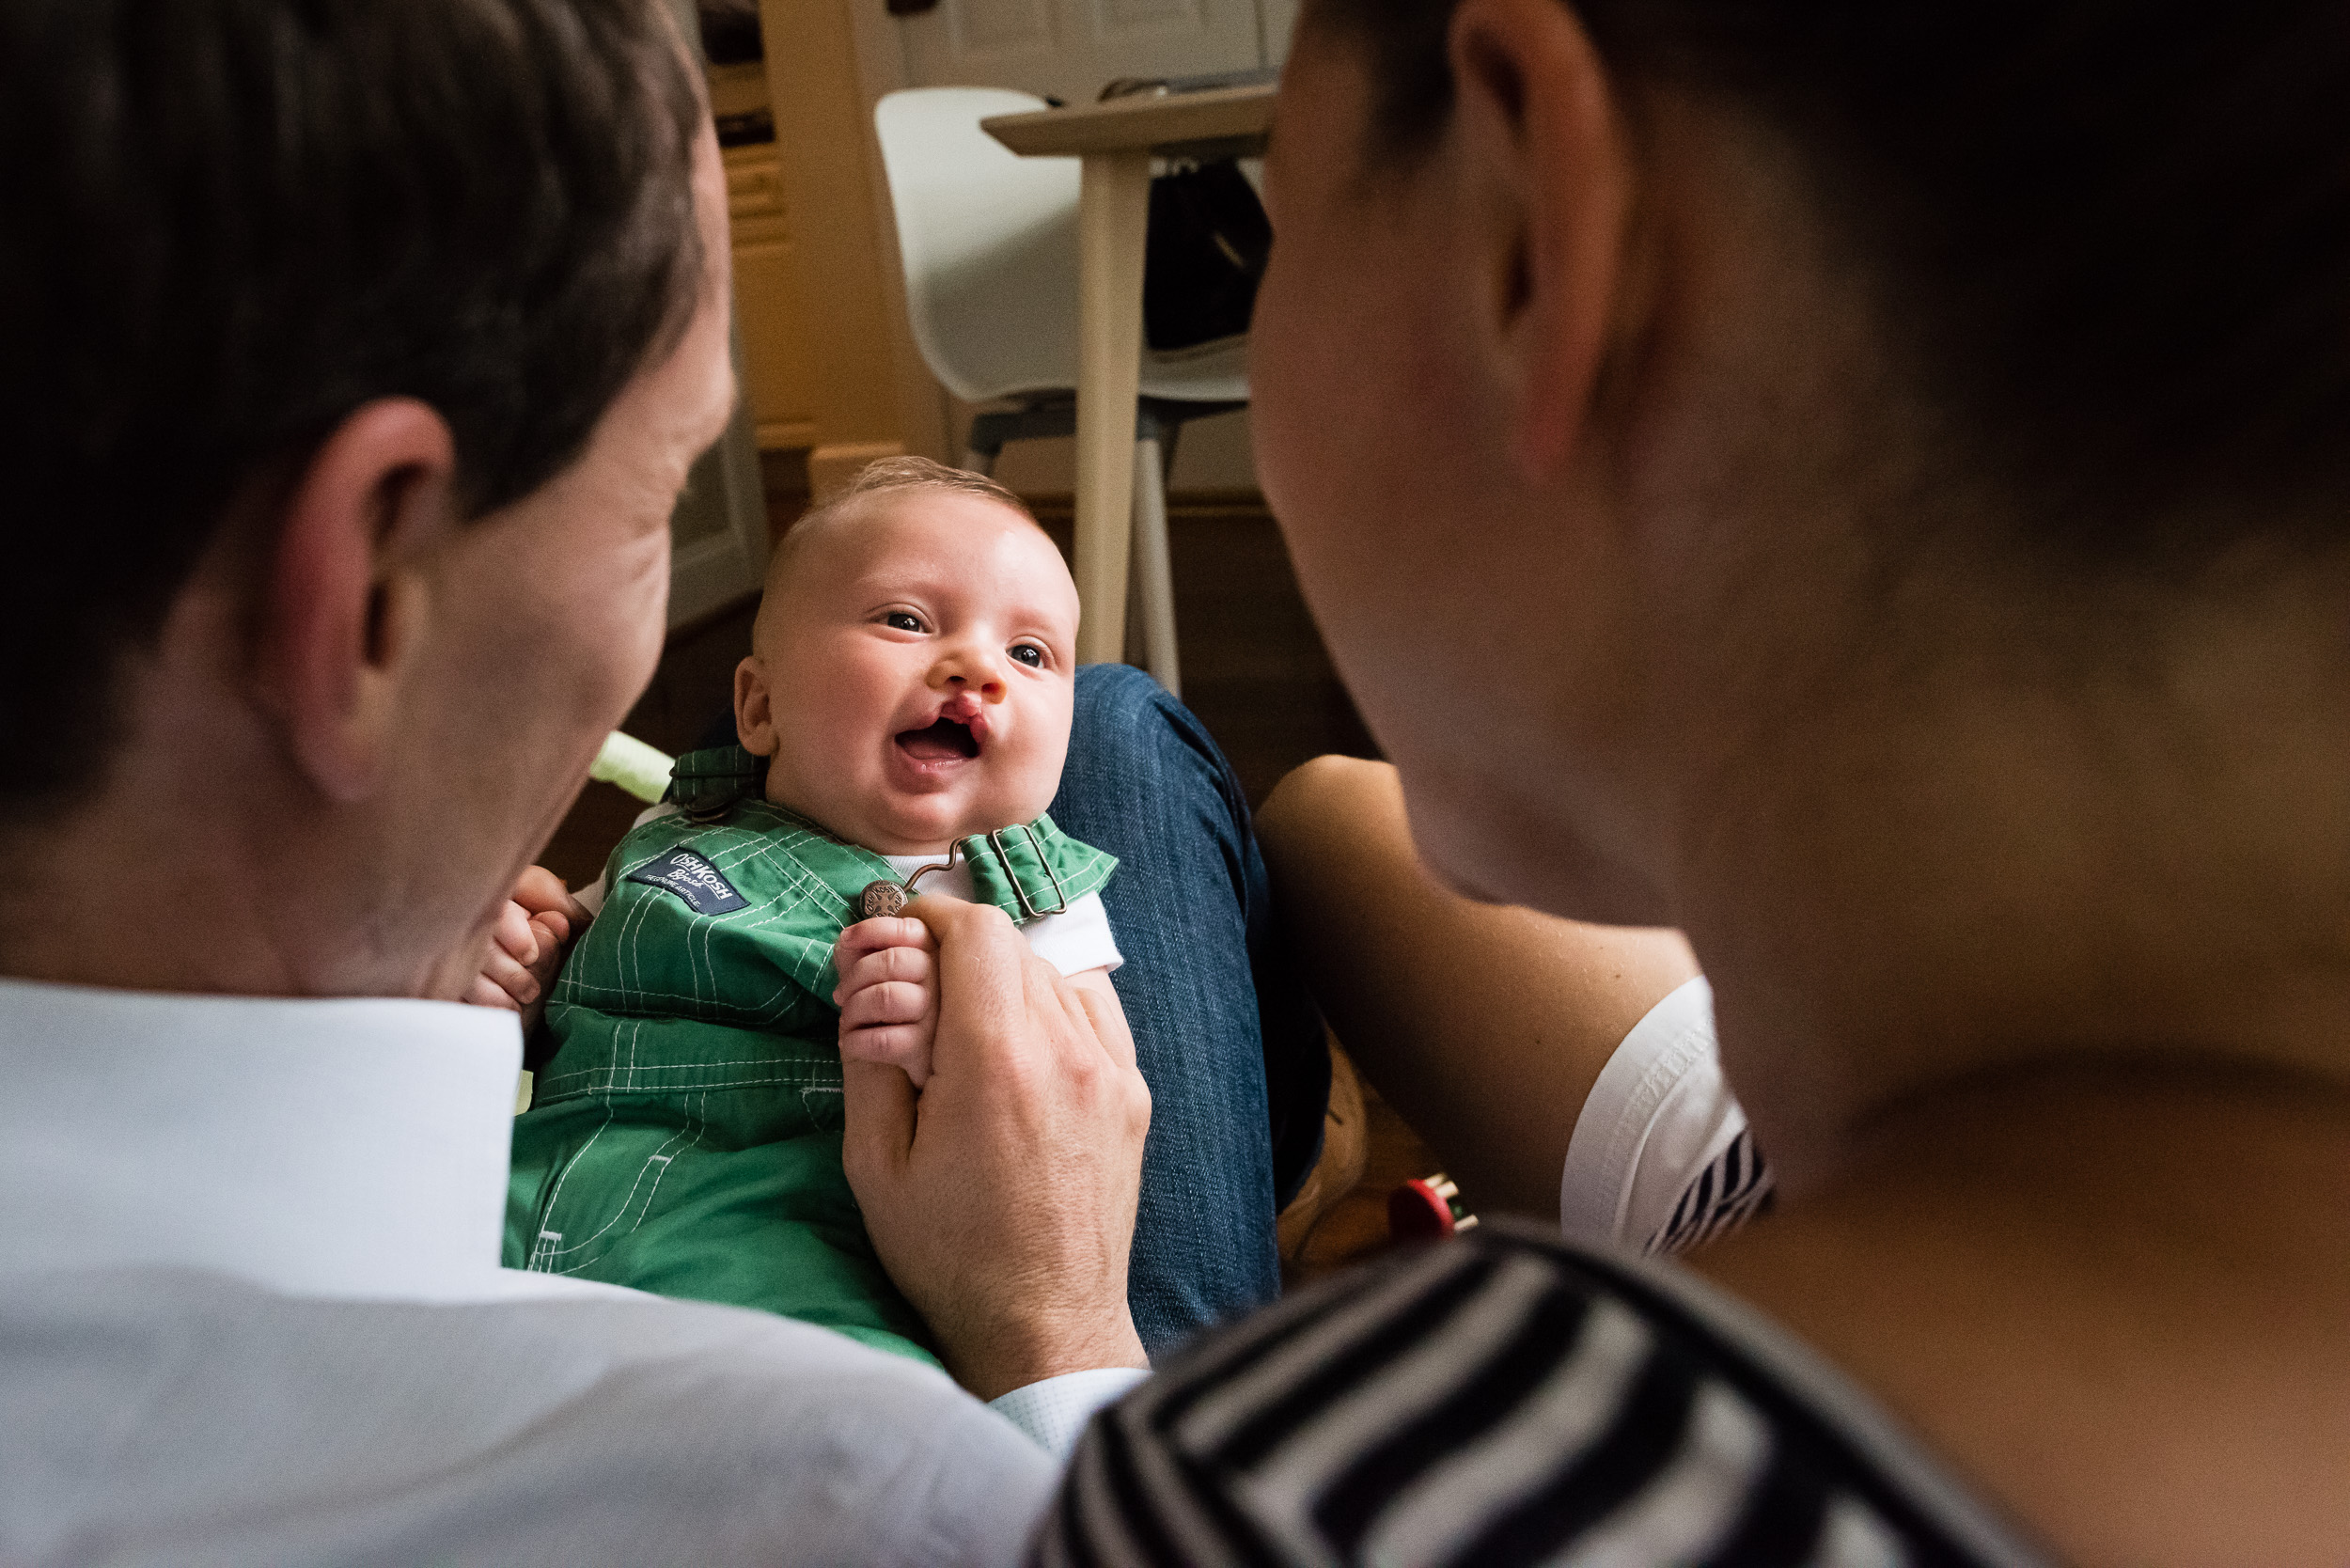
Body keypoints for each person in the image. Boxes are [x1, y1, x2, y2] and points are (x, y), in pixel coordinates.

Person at [1030, 0, 2350, 1564]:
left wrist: (1052, 1331)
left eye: (1278, 204)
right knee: (1283, 803)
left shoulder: (1313, 1502)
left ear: (1529, 228)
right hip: (1767, 1157)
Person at [0, 1, 1320, 1560]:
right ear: (364, 593)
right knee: (1131, 735)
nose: (973, 667)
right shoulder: (871, 1486)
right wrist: (1062, 1330)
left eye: (1021, 647)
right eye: (656, 499)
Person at [491, 457, 1128, 1365]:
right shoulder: (679, 822)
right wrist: (524, 959)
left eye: (1030, 655)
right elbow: (578, 961)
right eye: (907, 620)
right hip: (530, 1186)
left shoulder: (1031, 898)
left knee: (857, 1414)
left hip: (790, 1252)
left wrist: (942, 1032)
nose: (977, 667)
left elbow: (1084, 1105)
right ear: (757, 705)